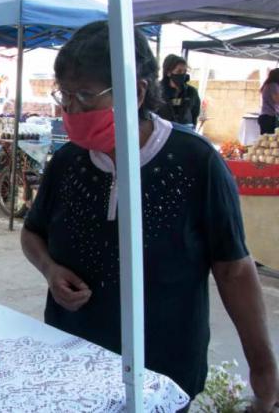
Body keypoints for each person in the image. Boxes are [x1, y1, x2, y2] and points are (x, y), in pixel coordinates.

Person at [21, 21, 278, 410]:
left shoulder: (194, 161)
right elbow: (32, 233)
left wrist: (264, 368)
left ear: (136, 91)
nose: (72, 110)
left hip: (163, 366)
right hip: (71, 353)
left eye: (86, 96)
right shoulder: (67, 161)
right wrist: (50, 270)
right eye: (65, 96)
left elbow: (234, 270)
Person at [157, 54, 201, 129]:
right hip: (164, 134)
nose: (182, 75)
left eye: (184, 71)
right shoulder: (157, 91)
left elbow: (195, 114)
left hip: (185, 133)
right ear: (168, 72)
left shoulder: (192, 92)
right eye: (179, 71)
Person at [258, 68, 279, 134]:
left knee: (266, 140)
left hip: (266, 116)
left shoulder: (268, 85)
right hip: (269, 117)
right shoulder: (273, 85)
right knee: (270, 140)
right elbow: (277, 100)